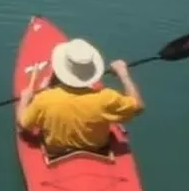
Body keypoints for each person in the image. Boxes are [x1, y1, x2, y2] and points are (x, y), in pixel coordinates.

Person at [16, 38, 144, 159]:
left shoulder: (44, 99)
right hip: (98, 150)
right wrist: (123, 73)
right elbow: (138, 107)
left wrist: (25, 99)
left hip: (57, 153)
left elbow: (23, 125)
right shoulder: (107, 98)